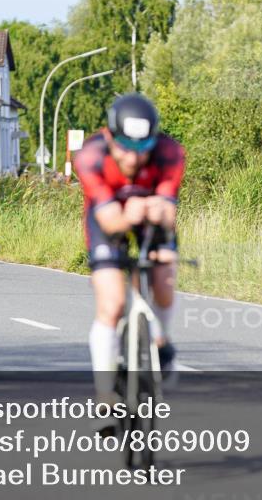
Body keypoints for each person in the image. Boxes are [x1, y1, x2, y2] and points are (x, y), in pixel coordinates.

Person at [72, 94, 185, 404]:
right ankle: (105, 395)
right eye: (125, 150)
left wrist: (151, 209)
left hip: (149, 221)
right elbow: (109, 221)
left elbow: (168, 213)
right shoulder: (90, 156)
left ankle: (160, 339)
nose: (133, 160)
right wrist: (134, 211)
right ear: (109, 137)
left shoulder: (170, 152)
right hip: (107, 221)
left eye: (142, 150)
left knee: (164, 277)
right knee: (112, 303)